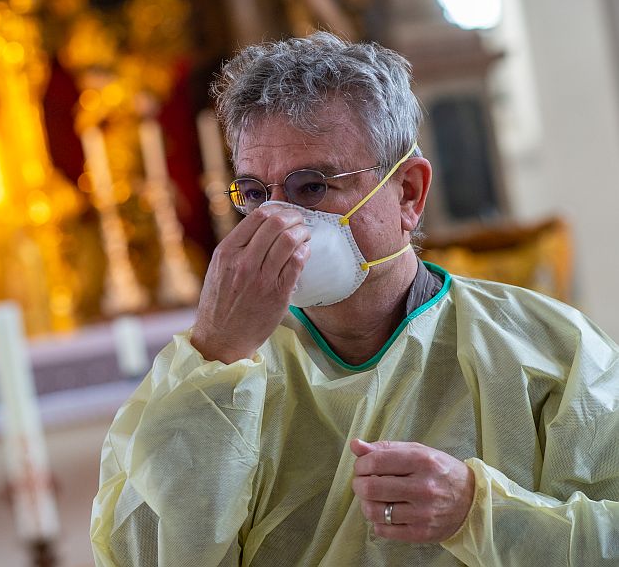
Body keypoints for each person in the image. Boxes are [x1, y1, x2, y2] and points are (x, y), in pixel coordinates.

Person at [90, 31, 619, 566]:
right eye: (254, 193)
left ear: (408, 192)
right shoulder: (213, 374)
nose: (278, 221)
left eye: (311, 186)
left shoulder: (552, 350)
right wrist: (217, 349)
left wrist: (478, 512)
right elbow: (141, 557)